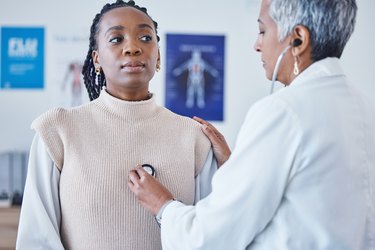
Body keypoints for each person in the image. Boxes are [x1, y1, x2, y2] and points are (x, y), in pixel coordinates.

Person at [128, 0, 375, 249]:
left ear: (298, 39)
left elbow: (212, 238)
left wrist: (164, 206)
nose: (257, 45)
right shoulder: (363, 106)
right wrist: (238, 165)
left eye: (262, 31)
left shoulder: (283, 112)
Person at [16, 1, 217, 249]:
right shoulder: (57, 130)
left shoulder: (194, 137)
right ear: (96, 59)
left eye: (145, 37)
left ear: (158, 56)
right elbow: (36, 240)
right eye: (116, 39)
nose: (132, 47)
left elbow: (210, 235)